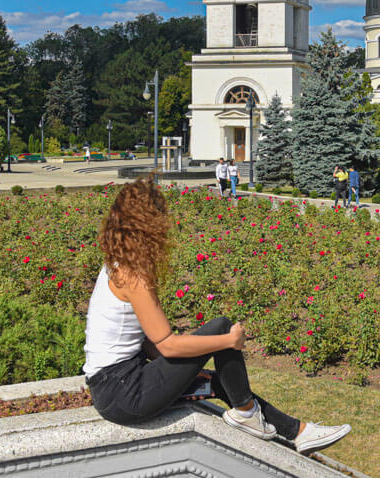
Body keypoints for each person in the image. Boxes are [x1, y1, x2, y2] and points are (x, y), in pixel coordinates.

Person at [83, 179, 351, 454]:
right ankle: (248, 413)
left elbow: (144, 343)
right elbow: (167, 345)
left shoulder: (117, 265)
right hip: (124, 392)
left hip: (116, 388)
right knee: (222, 327)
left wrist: (185, 370)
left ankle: (298, 432)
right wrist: (228, 341)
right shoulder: (132, 275)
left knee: (225, 381)